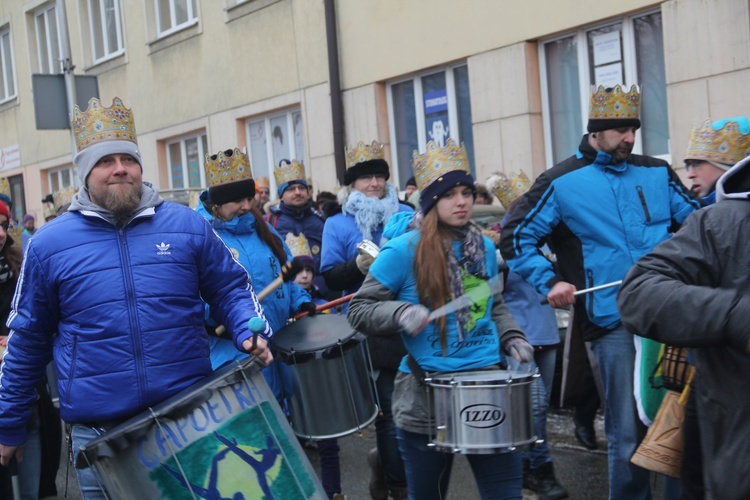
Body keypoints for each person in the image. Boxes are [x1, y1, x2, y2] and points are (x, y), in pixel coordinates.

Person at [0, 97, 273, 499]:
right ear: (84, 172)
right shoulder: (48, 246)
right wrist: (9, 423)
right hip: (102, 441)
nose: (120, 169)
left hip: (187, 423)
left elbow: (230, 286)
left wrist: (246, 328)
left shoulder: (186, 225)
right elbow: (28, 341)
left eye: (127, 158)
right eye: (105, 161)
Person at [499, 84, 700, 500]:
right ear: (596, 131)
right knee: (626, 429)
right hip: (612, 321)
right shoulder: (559, 181)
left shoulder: (656, 171)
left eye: (634, 130)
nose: (630, 138)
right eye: (622, 129)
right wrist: (550, 280)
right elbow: (516, 237)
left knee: (678, 420)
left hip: (670, 311)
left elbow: (700, 226)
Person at [348, 139, 534, 499]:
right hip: (425, 391)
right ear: (432, 201)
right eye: (450, 194)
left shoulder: (485, 246)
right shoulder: (402, 250)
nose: (462, 201)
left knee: (504, 492)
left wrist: (511, 335)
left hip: (485, 384)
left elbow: (491, 304)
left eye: (466, 191)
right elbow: (359, 309)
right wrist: (400, 312)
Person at [618, 154, 750, 499]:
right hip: (735, 448)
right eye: (688, 163)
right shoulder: (724, 223)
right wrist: (738, 316)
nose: (690, 173)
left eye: (698, 163)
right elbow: (638, 291)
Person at [320, 140, 412, 499]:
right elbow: (329, 279)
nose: (374, 183)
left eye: (379, 176)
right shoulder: (338, 223)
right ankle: (396, 485)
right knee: (388, 416)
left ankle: (398, 471)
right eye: (365, 178)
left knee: (418, 413)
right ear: (352, 185)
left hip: (413, 320)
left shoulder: (406, 213)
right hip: (369, 327)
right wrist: (357, 267)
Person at [196, 147, 313, 391]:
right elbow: (195, 291)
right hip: (233, 354)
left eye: (250, 198)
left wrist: (300, 301)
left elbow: (285, 269)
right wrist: (221, 320)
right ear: (217, 202)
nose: (247, 206)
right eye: (238, 200)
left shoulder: (263, 229)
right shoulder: (201, 234)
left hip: (278, 344)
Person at [491, 172, 568, 500]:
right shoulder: (501, 245)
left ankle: (522, 468)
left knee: (539, 407)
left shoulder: (551, 235)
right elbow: (492, 297)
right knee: (531, 406)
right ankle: (540, 469)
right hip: (517, 336)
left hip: (548, 333)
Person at [287, 233, 344, 499]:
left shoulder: (322, 305)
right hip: (293, 385)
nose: (306, 276)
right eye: (300, 271)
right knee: (293, 443)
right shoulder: (282, 308)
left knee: (329, 444)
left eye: (310, 270)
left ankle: (333, 492)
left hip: (322, 383)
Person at [265, 159, 326, 293]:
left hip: (322, 296)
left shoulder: (321, 221)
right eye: (291, 189)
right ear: (281, 195)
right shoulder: (269, 223)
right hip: (286, 294)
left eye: (301, 188)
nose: (298, 192)